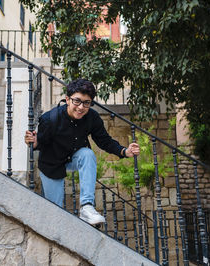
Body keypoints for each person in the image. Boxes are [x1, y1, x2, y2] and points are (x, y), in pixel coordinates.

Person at [25, 79, 140, 225]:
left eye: (86, 103)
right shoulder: (50, 119)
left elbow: (104, 140)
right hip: (51, 164)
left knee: (87, 154)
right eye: (77, 101)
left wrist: (124, 151)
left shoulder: (92, 117)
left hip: (73, 157)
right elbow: (39, 143)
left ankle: (86, 207)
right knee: (55, 213)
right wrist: (34, 143)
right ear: (67, 99)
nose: (81, 107)